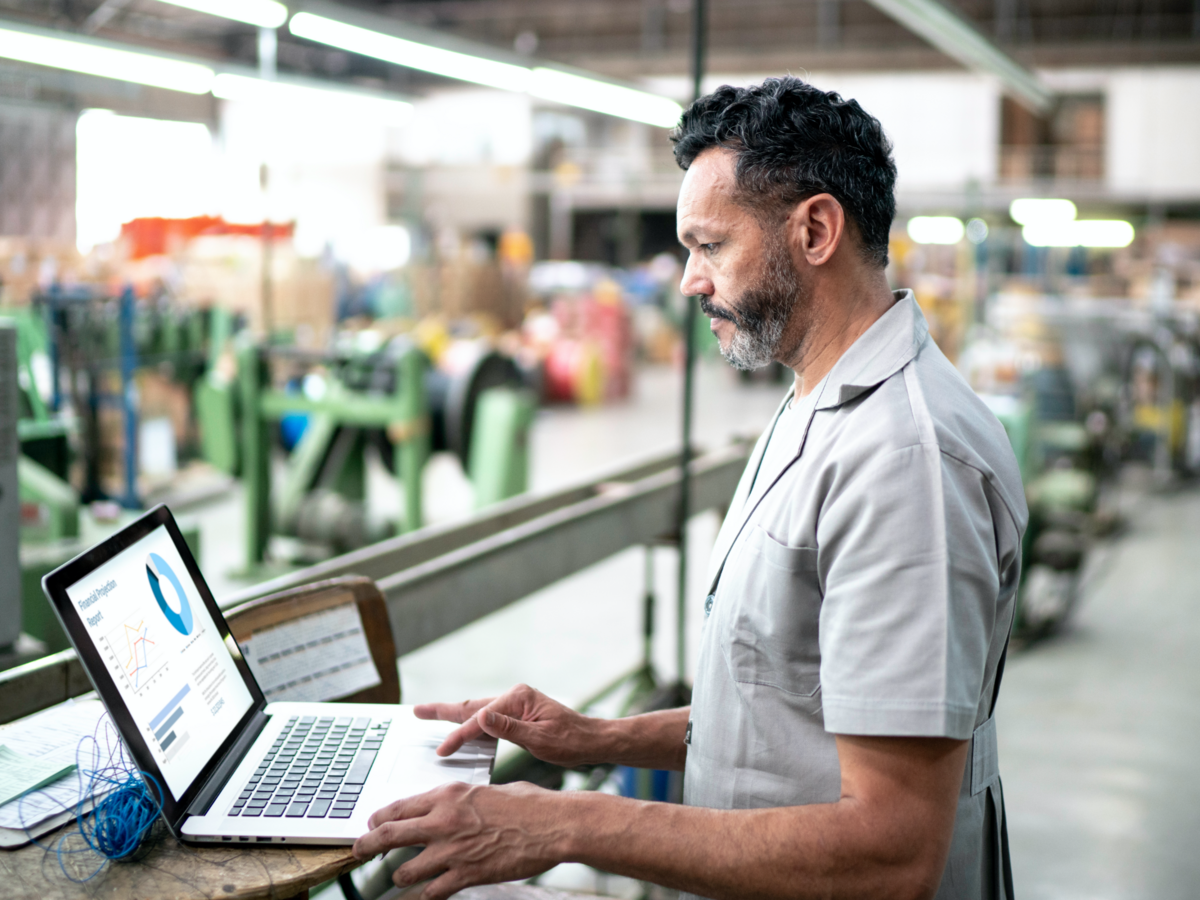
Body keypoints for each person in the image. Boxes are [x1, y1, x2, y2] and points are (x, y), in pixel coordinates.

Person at [353, 77, 1027, 900]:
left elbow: (892, 850)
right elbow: (790, 715)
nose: (688, 282)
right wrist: (600, 736)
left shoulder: (904, 460)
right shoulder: (818, 396)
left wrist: (568, 824)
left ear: (815, 229)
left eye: (710, 246)